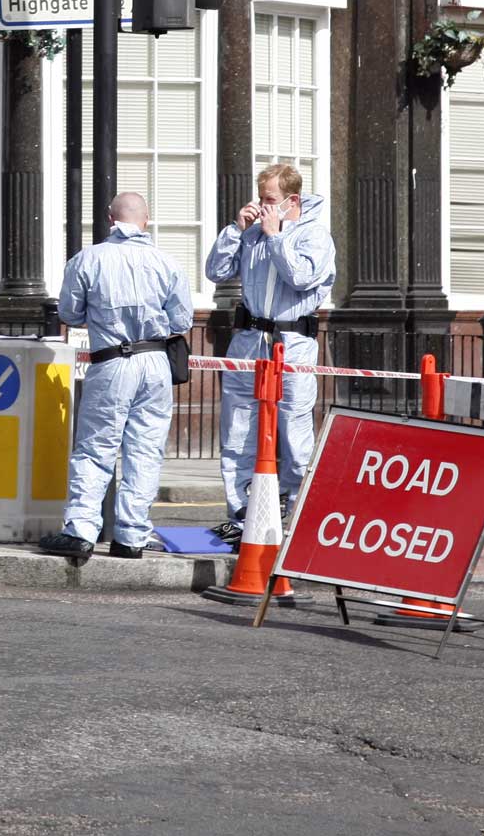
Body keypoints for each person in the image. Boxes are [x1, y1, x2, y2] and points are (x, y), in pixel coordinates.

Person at [40, 193, 193, 563]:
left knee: (96, 448)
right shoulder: (167, 262)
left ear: (110, 220)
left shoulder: (87, 260)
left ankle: (80, 531)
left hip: (111, 360)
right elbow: (183, 321)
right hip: (155, 360)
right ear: (147, 220)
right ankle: (131, 537)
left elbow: (70, 313)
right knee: (146, 451)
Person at [202, 163, 336, 542]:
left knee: (294, 432)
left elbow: (301, 278)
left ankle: (295, 515)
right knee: (238, 429)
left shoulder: (315, 235)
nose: (261, 207)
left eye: (269, 200)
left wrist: (276, 238)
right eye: (260, 198)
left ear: (292, 200)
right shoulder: (253, 233)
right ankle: (241, 514)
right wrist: (235, 230)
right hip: (249, 339)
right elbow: (215, 271)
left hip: (292, 343)